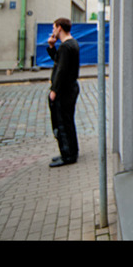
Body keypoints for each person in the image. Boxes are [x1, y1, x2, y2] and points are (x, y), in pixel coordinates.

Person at [47, 17, 81, 167]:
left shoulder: (66, 46)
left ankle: (68, 155)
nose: (53, 30)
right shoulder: (70, 44)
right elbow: (60, 62)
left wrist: (54, 90)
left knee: (62, 122)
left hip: (64, 90)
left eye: (54, 27)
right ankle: (71, 151)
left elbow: (61, 70)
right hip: (70, 88)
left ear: (59, 28)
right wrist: (52, 47)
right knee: (68, 121)